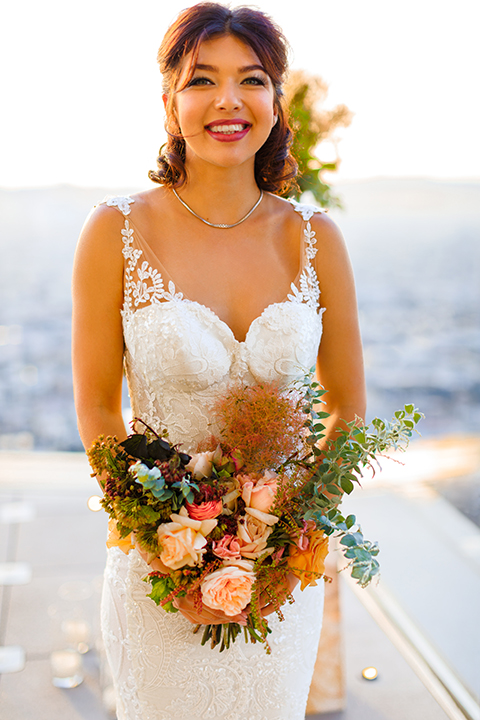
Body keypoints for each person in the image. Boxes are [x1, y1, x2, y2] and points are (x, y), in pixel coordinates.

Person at [72, 3, 365, 718]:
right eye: (202, 79)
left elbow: (350, 410)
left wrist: (282, 547)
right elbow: (100, 411)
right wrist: (173, 549)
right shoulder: (115, 230)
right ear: (169, 100)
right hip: (157, 581)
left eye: (252, 79)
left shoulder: (316, 238)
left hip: (279, 591)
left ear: (276, 101)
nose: (228, 100)